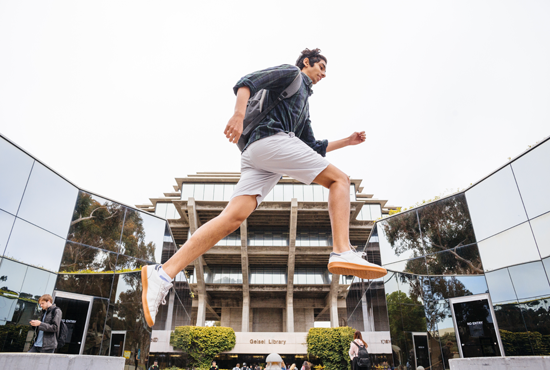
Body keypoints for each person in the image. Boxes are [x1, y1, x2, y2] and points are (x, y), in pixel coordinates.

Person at [141, 48, 388, 327]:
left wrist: (347, 141)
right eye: (320, 66)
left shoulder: (303, 105)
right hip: (270, 142)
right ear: (306, 62)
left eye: (325, 70)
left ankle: (162, 273)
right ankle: (342, 249)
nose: (323, 73)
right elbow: (248, 81)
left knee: (231, 218)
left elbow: (312, 147)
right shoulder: (292, 73)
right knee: (339, 181)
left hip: (260, 157)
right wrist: (238, 114)